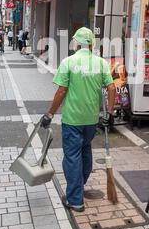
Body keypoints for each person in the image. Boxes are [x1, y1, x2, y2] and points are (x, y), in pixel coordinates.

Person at [40, 27, 116, 213]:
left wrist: (49, 114)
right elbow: (112, 88)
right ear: (90, 44)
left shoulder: (68, 62)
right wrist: (110, 112)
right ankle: (78, 185)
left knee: (72, 157)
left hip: (73, 119)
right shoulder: (101, 63)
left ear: (76, 43)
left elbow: (61, 91)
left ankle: (75, 200)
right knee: (85, 151)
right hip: (91, 120)